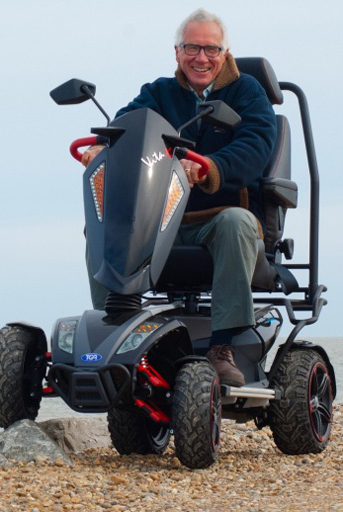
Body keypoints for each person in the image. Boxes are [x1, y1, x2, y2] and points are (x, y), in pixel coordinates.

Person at [81, 8, 277, 387]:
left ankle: (223, 347)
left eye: (210, 49)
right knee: (103, 226)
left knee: (235, 223)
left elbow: (256, 149)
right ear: (177, 52)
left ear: (225, 52)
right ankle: (115, 330)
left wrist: (209, 168)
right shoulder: (159, 93)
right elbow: (124, 128)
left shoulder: (248, 94)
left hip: (220, 219)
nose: (200, 58)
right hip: (161, 223)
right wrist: (101, 149)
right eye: (192, 48)